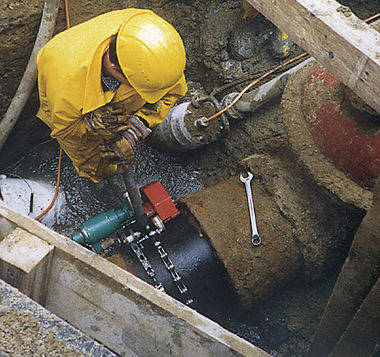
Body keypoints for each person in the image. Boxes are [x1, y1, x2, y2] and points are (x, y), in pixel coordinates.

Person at [36, 8, 188, 183]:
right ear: (116, 71)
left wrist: (133, 131)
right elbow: (66, 131)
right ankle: (100, 176)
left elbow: (173, 91)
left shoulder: (147, 41)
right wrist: (93, 126)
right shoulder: (65, 83)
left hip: (118, 87)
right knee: (95, 165)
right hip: (75, 112)